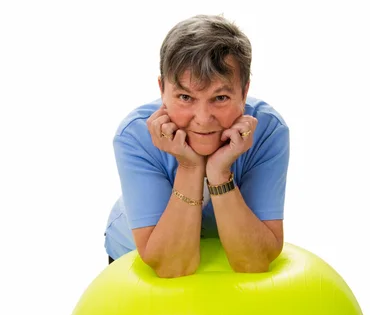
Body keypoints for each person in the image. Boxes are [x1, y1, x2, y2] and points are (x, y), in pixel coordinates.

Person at [104, 14, 290, 278]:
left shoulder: (268, 131)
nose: (202, 119)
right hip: (133, 256)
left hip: (221, 254)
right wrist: (190, 166)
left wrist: (219, 172)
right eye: (185, 97)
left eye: (221, 97)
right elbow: (172, 266)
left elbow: (254, 262)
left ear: (244, 92)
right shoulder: (134, 135)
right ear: (162, 89)